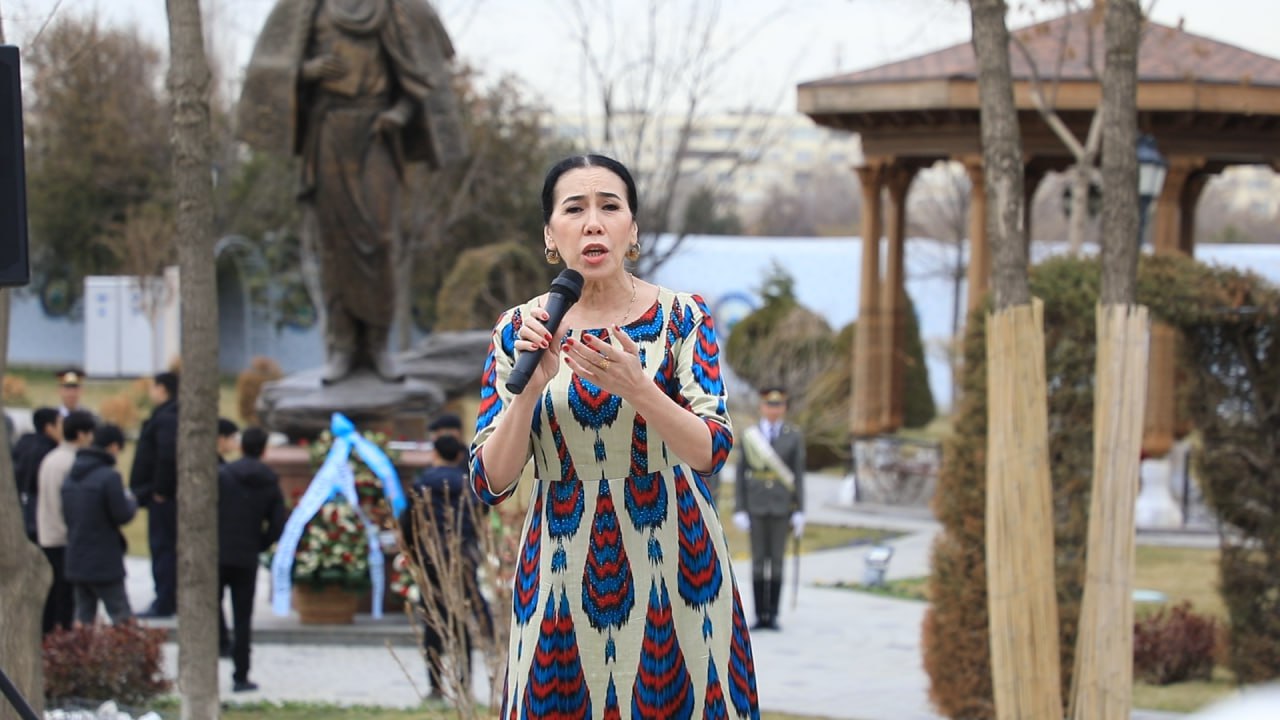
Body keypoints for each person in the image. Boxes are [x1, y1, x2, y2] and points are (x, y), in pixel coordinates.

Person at [469, 154, 760, 718]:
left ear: (633, 228)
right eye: (574, 209)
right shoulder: (518, 330)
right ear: (549, 234)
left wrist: (640, 390)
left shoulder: (683, 317)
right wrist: (530, 390)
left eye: (609, 207)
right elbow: (490, 481)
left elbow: (712, 450)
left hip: (677, 565)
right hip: (559, 569)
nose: (593, 224)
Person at [238, 0, 467, 384]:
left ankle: (378, 347)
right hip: (329, 129)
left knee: (380, 240)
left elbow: (417, 77)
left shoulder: (393, 9)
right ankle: (342, 347)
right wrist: (307, 70)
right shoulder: (312, 8)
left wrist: (398, 115)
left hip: (376, 133)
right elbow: (273, 69)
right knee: (335, 243)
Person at [400, 434, 488, 700]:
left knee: (433, 622)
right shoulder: (469, 483)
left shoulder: (422, 483)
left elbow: (408, 523)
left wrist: (414, 554)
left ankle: (436, 685)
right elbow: (481, 514)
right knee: (461, 622)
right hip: (463, 558)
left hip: (431, 559)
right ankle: (464, 684)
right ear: (459, 455)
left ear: (435, 453)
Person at [216, 427, 286, 693]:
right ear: (264, 449)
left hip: (218, 551)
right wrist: (260, 543)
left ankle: (218, 649)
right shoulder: (270, 481)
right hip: (246, 555)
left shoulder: (223, 475)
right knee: (243, 616)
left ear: (241, 446)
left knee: (211, 606)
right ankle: (241, 675)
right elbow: (277, 523)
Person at [732, 387, 806, 631]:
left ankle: (772, 614)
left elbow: (797, 475)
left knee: (776, 562)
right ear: (762, 407)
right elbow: (741, 474)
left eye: (778, 405)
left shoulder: (793, 435)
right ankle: (758, 615)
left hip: (782, 506)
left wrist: (800, 510)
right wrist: (740, 508)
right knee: (757, 561)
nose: (774, 410)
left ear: (784, 408)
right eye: (769, 405)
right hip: (756, 504)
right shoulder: (750, 435)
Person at [62, 423, 137, 626]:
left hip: (76, 557)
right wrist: (132, 502)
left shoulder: (71, 476)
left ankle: (78, 647)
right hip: (104, 560)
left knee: (83, 616)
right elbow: (121, 514)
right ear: (113, 447)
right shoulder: (109, 477)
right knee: (121, 616)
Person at [36, 410, 97, 634]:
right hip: (64, 538)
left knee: (53, 596)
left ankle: (49, 638)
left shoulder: (51, 458)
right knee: (65, 599)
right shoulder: (71, 462)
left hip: (48, 534)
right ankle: (61, 641)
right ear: (81, 434)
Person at [130, 371, 180, 618]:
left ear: (162, 389)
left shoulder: (167, 417)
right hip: (165, 496)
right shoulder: (168, 415)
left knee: (164, 548)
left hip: (164, 499)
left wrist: (161, 490)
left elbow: (167, 456)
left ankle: (165, 601)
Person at [13, 407, 61, 541]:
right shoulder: (49, 451)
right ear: (49, 428)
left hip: (21, 507)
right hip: (40, 515)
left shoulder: (23, 444)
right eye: (60, 423)